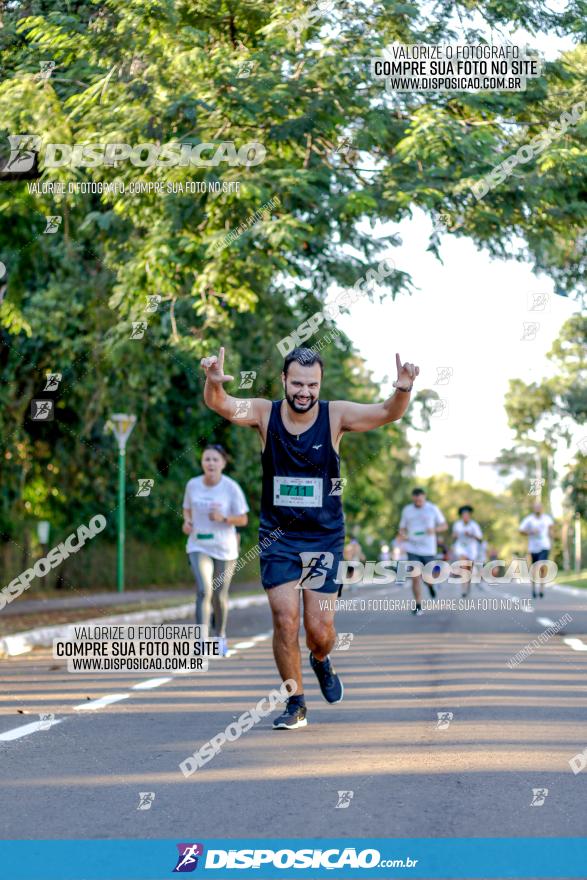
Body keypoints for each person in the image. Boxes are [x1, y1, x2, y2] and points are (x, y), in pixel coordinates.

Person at [200, 346, 419, 729]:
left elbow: (387, 413)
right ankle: (295, 702)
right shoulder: (265, 414)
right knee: (285, 621)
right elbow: (222, 405)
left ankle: (321, 660)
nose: (304, 392)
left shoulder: (335, 416)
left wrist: (402, 390)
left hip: (322, 538)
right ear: (284, 380)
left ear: (320, 384)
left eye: (312, 385)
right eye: (297, 383)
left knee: (319, 632)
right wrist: (213, 383)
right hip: (278, 537)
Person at [182, 444, 249, 655]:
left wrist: (224, 518)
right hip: (198, 544)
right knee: (204, 590)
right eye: (206, 459)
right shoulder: (192, 485)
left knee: (219, 595)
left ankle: (219, 635)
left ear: (223, 463)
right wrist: (187, 522)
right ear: (202, 463)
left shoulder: (231, 487)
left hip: (225, 548)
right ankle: (201, 641)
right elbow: (187, 509)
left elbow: (244, 519)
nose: (210, 463)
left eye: (214, 459)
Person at [398, 488, 447, 615]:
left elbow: (444, 525)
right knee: (415, 577)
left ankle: (431, 586)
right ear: (412, 498)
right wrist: (402, 535)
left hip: (428, 549)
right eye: (416, 498)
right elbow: (402, 528)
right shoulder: (407, 510)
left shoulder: (432, 509)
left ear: (424, 497)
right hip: (412, 548)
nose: (418, 500)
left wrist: (435, 530)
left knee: (428, 577)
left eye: (420, 498)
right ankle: (418, 605)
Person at [519, 502, 555, 598]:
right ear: (533, 509)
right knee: (534, 569)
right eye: (536, 507)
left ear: (542, 508)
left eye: (539, 507)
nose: (538, 509)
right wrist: (530, 532)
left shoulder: (547, 518)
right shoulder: (529, 519)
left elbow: (551, 530)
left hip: (545, 546)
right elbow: (521, 531)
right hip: (533, 548)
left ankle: (542, 589)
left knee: (541, 567)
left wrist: (552, 537)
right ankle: (533, 589)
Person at [451, 505, 483, 598]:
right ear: (461, 516)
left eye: (467, 515)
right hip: (461, 547)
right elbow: (453, 536)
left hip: (472, 548)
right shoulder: (457, 524)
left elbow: (480, 538)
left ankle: (467, 585)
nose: (465, 516)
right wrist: (455, 536)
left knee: (469, 569)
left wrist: (471, 534)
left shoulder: (474, 525)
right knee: (464, 567)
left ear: (470, 515)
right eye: (463, 515)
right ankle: (463, 588)